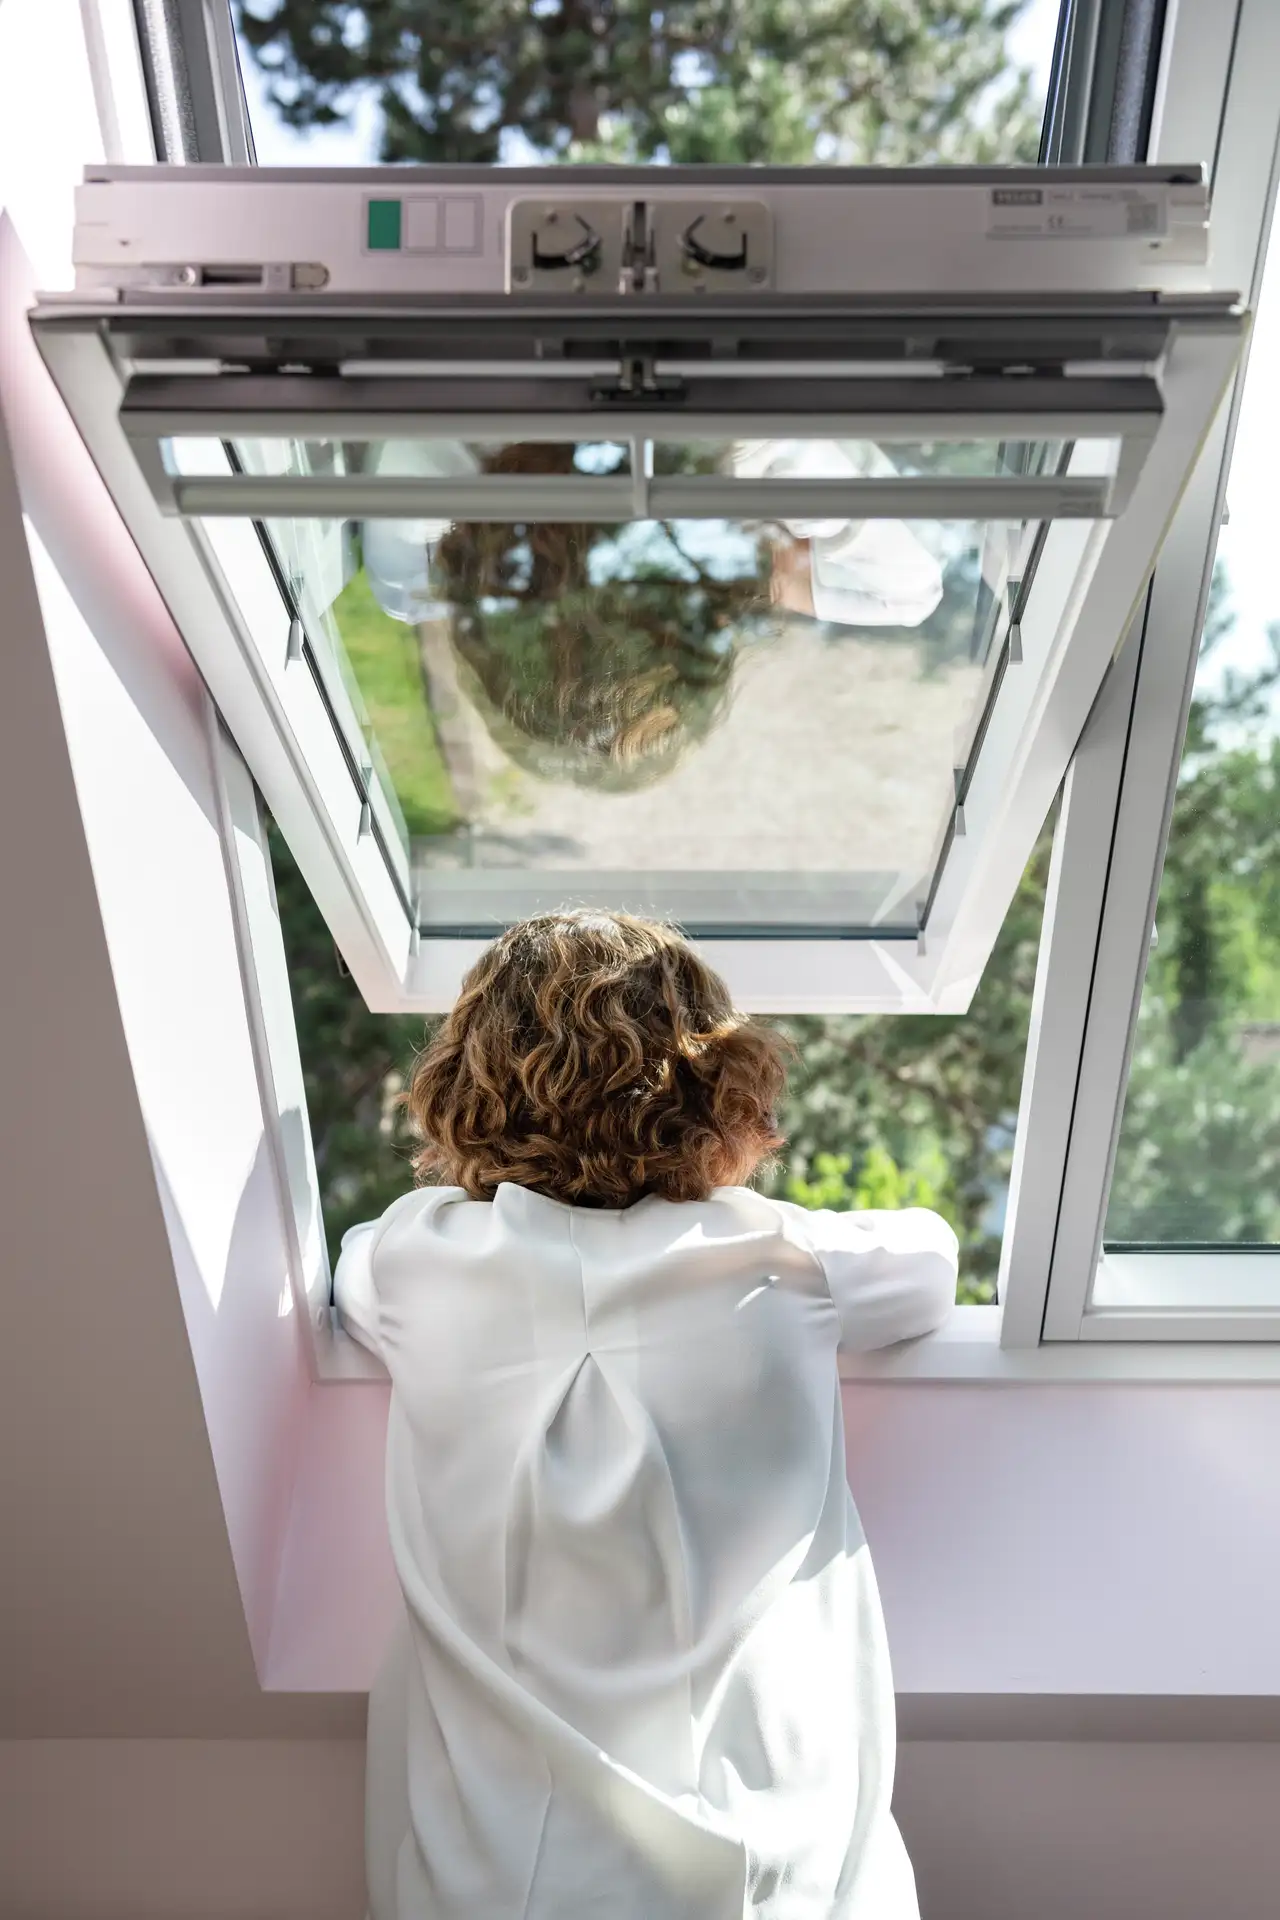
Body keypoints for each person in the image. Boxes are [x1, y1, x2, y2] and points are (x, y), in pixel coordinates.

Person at [334, 909, 958, 1920]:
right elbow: (931, 1260)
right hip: (764, 1879)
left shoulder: (414, 1260)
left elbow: (353, 1273)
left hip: (493, 1883)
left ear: (465, 1085)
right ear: (716, 1086)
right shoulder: (780, 1262)